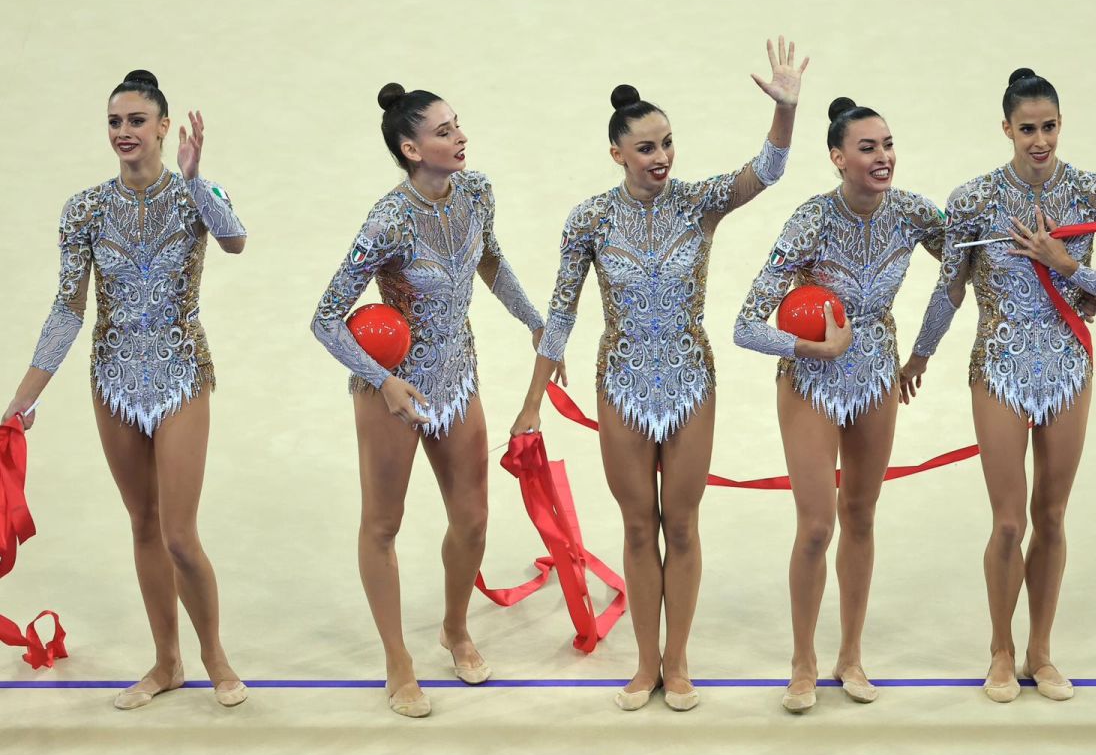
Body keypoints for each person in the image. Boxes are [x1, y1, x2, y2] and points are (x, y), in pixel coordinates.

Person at [511, 38, 806, 712]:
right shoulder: (588, 219)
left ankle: (678, 662)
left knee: (684, 523)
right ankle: (645, 662)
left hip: (689, 378)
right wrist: (532, 401)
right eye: (646, 148)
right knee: (639, 526)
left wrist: (785, 112)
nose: (661, 158)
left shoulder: (699, 202)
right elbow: (560, 316)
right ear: (616, 153)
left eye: (668, 143)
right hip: (619, 381)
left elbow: (768, 171)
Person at [2, 70, 249, 709]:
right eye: (114, 122)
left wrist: (196, 179)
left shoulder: (198, 192)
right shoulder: (84, 208)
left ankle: (214, 655)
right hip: (111, 379)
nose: (123, 132)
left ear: (163, 127)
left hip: (181, 373)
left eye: (136, 121)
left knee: (178, 532)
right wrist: (24, 396)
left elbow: (235, 241)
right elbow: (67, 309)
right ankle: (166, 663)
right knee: (142, 523)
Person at [311, 83, 551, 718]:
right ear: (411, 148)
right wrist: (382, 380)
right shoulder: (387, 220)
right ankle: (397, 659)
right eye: (444, 132)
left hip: (456, 375)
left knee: (472, 518)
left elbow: (491, 262)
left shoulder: (476, 193)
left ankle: (455, 627)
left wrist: (534, 319)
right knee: (383, 525)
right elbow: (325, 318)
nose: (459, 137)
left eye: (458, 125)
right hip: (390, 386)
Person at [901, 68, 1096, 702]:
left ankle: (1041, 650)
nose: (1040, 140)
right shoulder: (974, 199)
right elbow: (949, 288)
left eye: (1050, 127)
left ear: (1062, 125)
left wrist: (1067, 267)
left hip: (1067, 366)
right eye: (1028, 129)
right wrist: (920, 354)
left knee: (1053, 517)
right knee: (1009, 522)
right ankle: (1001, 650)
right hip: (1000, 365)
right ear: (1006, 128)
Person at [734, 97, 944, 712]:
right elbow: (745, 324)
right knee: (816, 525)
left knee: (861, 515)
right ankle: (802, 661)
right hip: (810, 382)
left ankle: (851, 655)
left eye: (887, 145)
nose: (883, 158)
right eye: (867, 148)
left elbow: (969, 265)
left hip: (878, 373)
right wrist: (807, 348)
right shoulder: (809, 221)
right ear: (837, 158)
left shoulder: (911, 213)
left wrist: (923, 352)